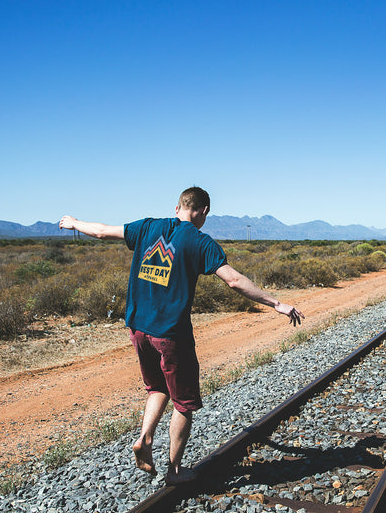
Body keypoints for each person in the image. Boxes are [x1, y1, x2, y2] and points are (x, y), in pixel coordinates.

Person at [59, 187, 304, 485]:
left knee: (156, 388)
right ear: (203, 211)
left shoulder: (148, 226)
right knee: (184, 403)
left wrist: (73, 222)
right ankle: (175, 471)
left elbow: (99, 232)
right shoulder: (200, 242)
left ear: (177, 207)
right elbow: (235, 280)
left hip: (138, 329)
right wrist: (277, 304)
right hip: (171, 334)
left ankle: (145, 439)